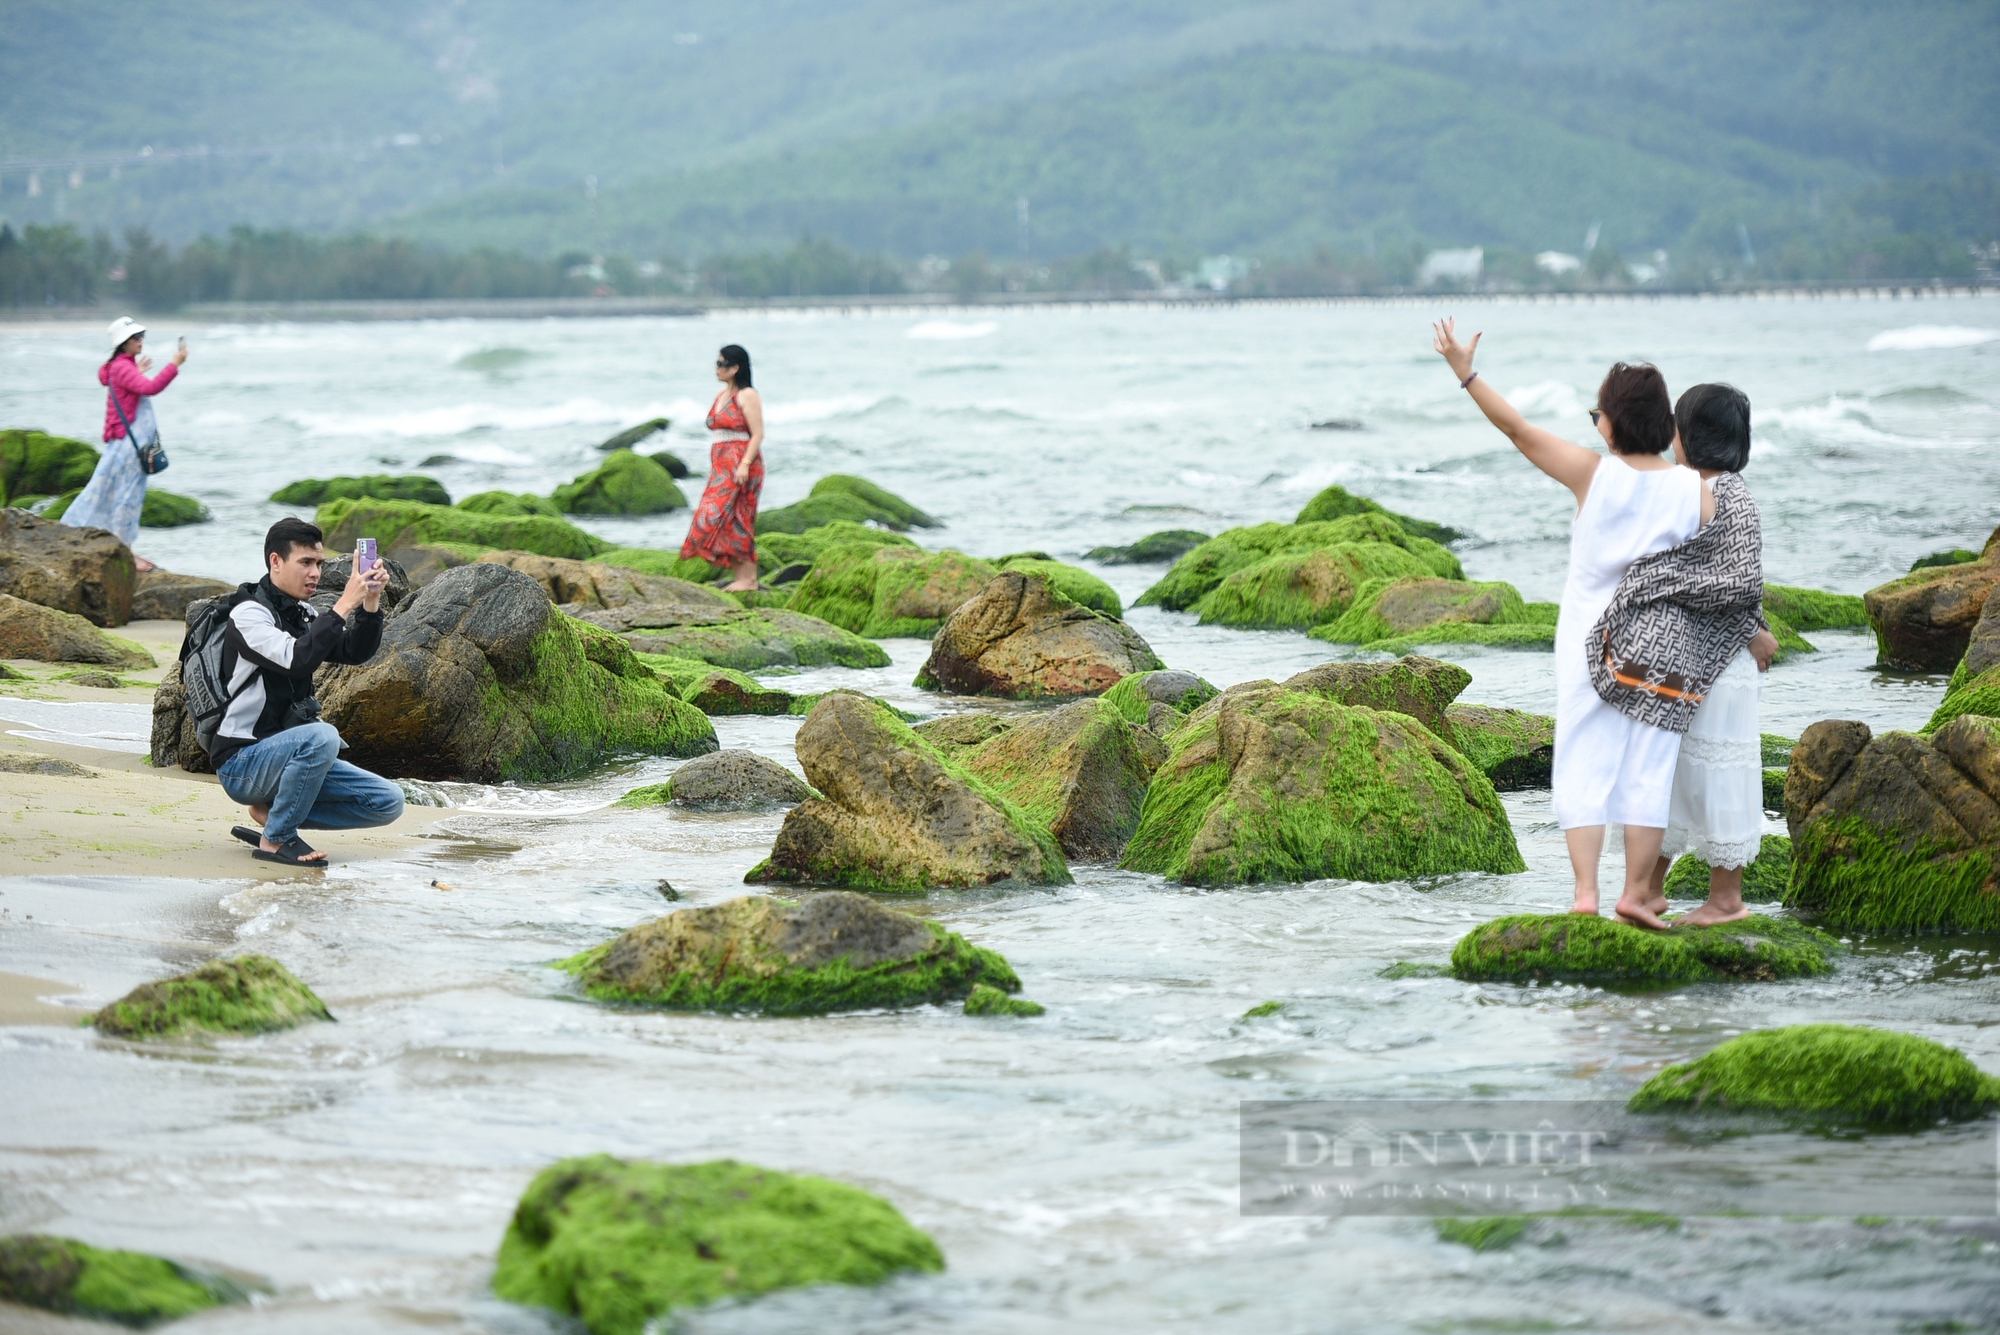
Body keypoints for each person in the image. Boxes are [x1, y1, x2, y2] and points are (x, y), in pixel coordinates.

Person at [1432, 318, 1712, 926]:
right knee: (1650, 767)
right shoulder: (1696, 490)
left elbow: (1515, 428)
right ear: (1663, 424)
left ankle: (1585, 894)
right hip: (1666, 645)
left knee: (1583, 755)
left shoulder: (1592, 472)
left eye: (1597, 414)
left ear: (1611, 422)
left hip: (1592, 641)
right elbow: (1721, 569)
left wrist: (1466, 373)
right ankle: (1635, 894)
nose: (1594, 424)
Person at [1595, 384, 1777, 926]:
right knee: (1666, 772)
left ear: (1692, 434)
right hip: (1686, 657)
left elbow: (1739, 582)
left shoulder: (1731, 494)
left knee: (1717, 772)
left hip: (1722, 666)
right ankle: (1649, 889)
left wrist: (1748, 626)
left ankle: (1726, 900)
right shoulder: (1686, 489)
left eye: (1676, 425)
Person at [210, 517, 404, 867]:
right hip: (242, 762)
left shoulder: (302, 613)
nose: (315, 573)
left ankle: (273, 811)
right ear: (275, 562)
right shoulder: (248, 615)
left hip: (290, 758)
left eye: (319, 564)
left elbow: (353, 652)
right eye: (305, 563)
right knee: (321, 737)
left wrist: (371, 603)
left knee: (389, 801)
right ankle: (277, 837)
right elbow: (297, 659)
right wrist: (344, 603)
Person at [65, 315, 185, 570]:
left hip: (122, 443)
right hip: (128, 445)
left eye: (141, 336)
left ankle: (99, 540)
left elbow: (128, 386)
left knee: (108, 493)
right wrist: (175, 364)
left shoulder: (122, 366)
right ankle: (125, 552)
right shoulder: (122, 367)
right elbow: (151, 388)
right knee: (127, 497)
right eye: (136, 337)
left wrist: (137, 372)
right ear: (123, 343)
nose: (141, 341)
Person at [679, 343, 765, 591]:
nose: (716, 369)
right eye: (716, 363)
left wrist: (744, 465)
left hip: (742, 464)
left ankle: (749, 580)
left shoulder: (748, 395)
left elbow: (757, 434)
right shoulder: (721, 395)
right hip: (721, 467)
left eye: (721, 364)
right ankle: (742, 577)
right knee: (722, 518)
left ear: (735, 368)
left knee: (740, 518)